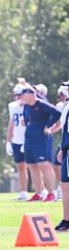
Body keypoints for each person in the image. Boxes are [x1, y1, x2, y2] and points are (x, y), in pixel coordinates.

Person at [21, 83, 61, 201]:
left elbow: (56, 113)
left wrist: (48, 126)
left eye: (23, 94)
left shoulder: (42, 104)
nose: (21, 96)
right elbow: (26, 118)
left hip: (42, 139)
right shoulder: (26, 106)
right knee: (32, 165)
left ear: (30, 94)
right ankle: (38, 193)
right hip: (29, 138)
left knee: (44, 165)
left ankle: (51, 193)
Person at [6, 83, 28, 200]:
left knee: (34, 166)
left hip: (28, 139)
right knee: (20, 166)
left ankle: (42, 191)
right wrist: (8, 141)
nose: (17, 97)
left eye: (19, 95)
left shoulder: (29, 105)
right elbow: (11, 124)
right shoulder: (12, 106)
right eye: (15, 95)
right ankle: (23, 192)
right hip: (16, 139)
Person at [55, 85, 69, 231]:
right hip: (66, 147)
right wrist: (62, 147)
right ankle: (66, 220)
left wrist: (64, 147)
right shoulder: (67, 105)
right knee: (65, 185)